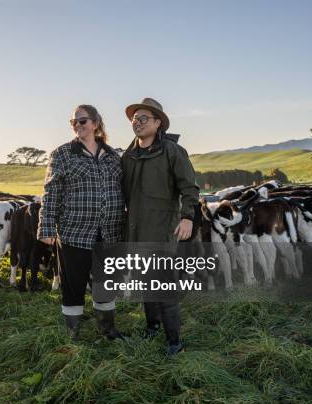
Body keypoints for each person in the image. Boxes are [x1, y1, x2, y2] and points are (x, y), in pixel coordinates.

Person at [37, 104, 126, 341]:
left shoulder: (112, 156)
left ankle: (108, 331)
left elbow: (123, 189)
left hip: (109, 232)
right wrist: (46, 227)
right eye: (73, 122)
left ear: (96, 123)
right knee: (73, 286)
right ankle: (73, 335)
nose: (77, 125)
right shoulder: (63, 154)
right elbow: (51, 192)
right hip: (74, 232)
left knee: (105, 285)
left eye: (82, 121)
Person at [121, 97, 199, 355]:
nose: (137, 123)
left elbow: (189, 187)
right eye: (135, 119)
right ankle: (152, 326)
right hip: (136, 229)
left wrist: (188, 217)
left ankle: (174, 340)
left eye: (143, 118)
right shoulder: (129, 155)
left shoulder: (172, 151)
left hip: (162, 227)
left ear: (157, 123)